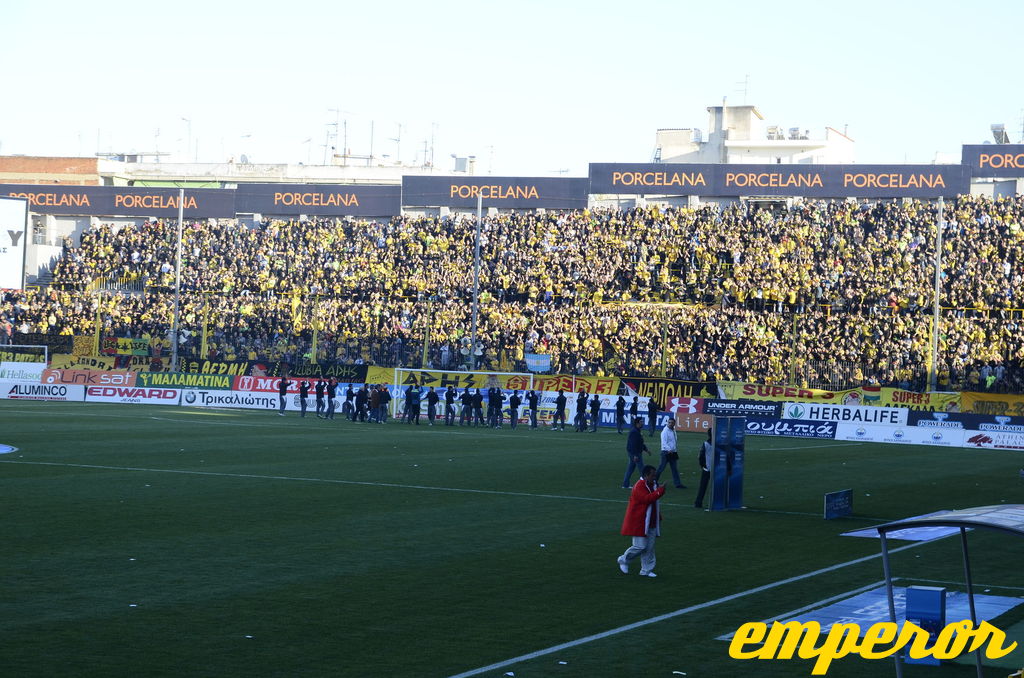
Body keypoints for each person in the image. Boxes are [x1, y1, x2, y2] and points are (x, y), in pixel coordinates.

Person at [616, 464, 666, 578]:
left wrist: (658, 516)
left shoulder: (652, 484)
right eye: (653, 475)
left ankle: (646, 570)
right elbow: (646, 499)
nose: (655, 477)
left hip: (651, 520)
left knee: (650, 548)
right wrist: (660, 491)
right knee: (640, 546)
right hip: (640, 521)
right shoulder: (639, 486)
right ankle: (624, 559)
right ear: (646, 475)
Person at [656, 418, 685, 488]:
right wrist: (669, 449)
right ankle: (653, 482)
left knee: (674, 469)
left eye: (672, 423)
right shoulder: (665, 431)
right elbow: (664, 443)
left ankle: (678, 484)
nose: (670, 424)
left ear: (674, 423)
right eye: (669, 422)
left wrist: (674, 450)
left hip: (673, 452)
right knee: (661, 468)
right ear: (667, 423)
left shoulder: (673, 430)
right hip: (666, 452)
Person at [622, 417, 650, 488]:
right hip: (635, 453)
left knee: (630, 468)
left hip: (635, 452)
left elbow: (640, 443)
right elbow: (633, 444)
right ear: (637, 423)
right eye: (641, 422)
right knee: (642, 469)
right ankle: (646, 484)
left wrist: (646, 450)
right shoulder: (634, 432)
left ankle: (625, 484)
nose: (643, 423)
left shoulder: (637, 430)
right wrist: (635, 455)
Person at [694, 429, 713, 509]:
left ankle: (698, 503)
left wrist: (703, 466)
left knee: (703, 487)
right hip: (717, 469)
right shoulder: (720, 444)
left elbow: (700, 456)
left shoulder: (705, 444)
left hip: (707, 468)